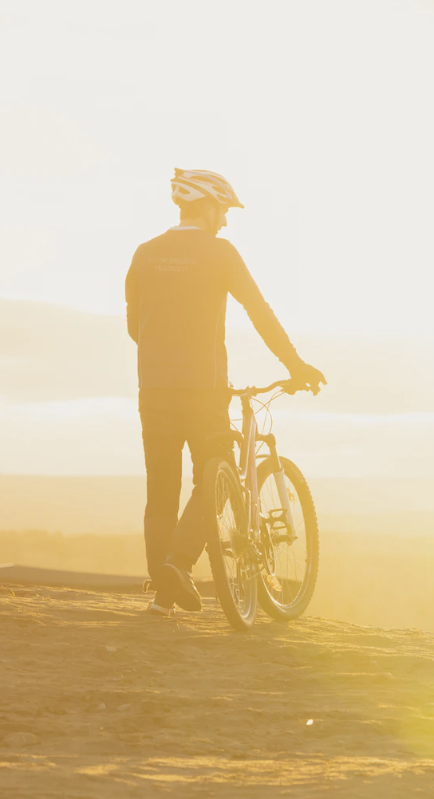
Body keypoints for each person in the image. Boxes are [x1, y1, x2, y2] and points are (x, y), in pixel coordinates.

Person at [124, 168, 325, 615]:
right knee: (217, 476)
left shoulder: (144, 254)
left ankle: (163, 592)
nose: (225, 222)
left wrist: (164, 360)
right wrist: (295, 366)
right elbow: (259, 312)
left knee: (160, 489)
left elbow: (134, 326)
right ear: (207, 206)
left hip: (153, 388)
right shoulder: (220, 254)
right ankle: (178, 563)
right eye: (223, 211)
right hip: (203, 389)